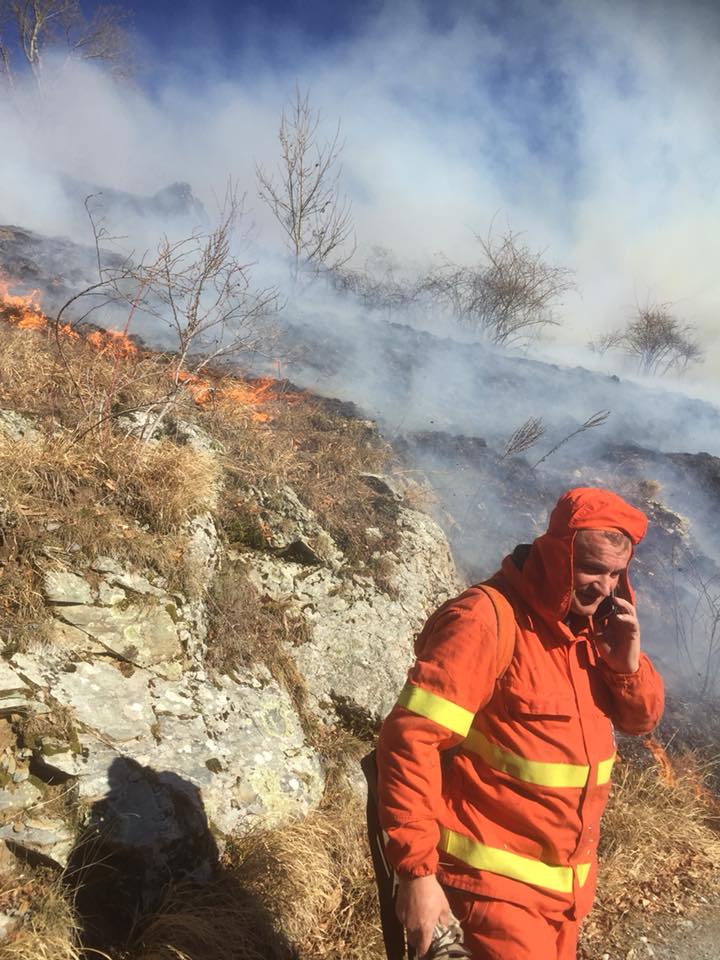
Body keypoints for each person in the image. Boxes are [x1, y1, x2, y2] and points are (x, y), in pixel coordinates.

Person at [376, 487, 664, 960]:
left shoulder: (595, 630)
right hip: (490, 892)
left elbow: (642, 720)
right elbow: (410, 740)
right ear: (555, 555)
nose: (606, 587)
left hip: (564, 898)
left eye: (616, 573)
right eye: (591, 569)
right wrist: (418, 875)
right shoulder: (484, 619)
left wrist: (626, 665)